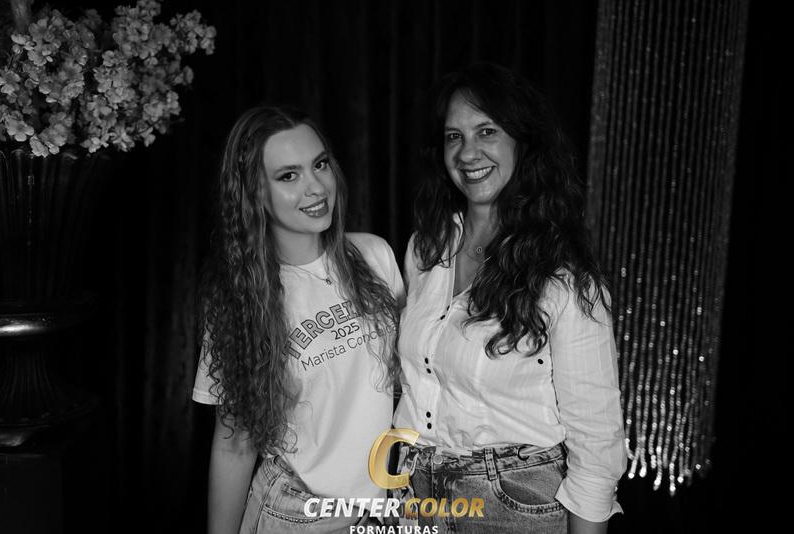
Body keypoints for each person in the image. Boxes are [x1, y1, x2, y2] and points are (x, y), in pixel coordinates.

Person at [393, 63, 627, 534]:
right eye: (454, 136)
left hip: (511, 504)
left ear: (523, 142)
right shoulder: (426, 250)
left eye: (487, 131)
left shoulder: (564, 279)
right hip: (412, 498)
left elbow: (596, 445)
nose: (468, 152)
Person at [193, 106, 403, 534]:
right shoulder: (242, 299)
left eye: (319, 165)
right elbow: (235, 444)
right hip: (296, 513)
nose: (316, 187)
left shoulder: (374, 255)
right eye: (288, 176)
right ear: (255, 193)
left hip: (386, 512)